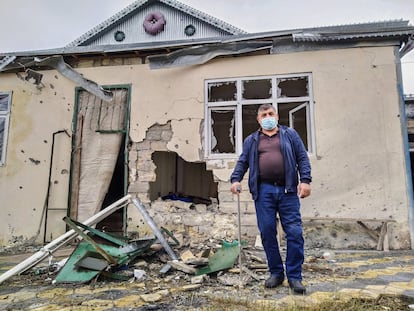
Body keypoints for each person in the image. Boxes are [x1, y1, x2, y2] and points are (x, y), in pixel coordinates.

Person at [230, 103, 311, 294]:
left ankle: (294, 276)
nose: (268, 117)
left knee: (294, 232)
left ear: (276, 116)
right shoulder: (252, 140)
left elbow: (302, 158)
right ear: (258, 119)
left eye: (270, 113)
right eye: (264, 114)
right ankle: (276, 273)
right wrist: (235, 179)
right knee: (267, 232)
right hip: (263, 191)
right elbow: (243, 161)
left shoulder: (289, 135)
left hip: (288, 190)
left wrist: (305, 180)